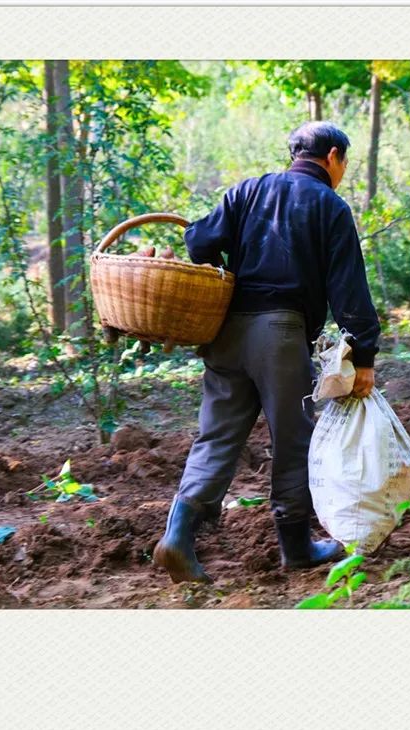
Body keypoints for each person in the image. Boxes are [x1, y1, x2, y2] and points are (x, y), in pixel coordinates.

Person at [153, 121, 381, 584]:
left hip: (227, 333)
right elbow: (348, 290)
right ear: (333, 156)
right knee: (293, 438)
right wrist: (364, 354)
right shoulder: (330, 206)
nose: (343, 171)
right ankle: (295, 545)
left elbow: (197, 242)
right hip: (280, 333)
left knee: (215, 436)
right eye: (345, 163)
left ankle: (178, 534)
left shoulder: (247, 192)